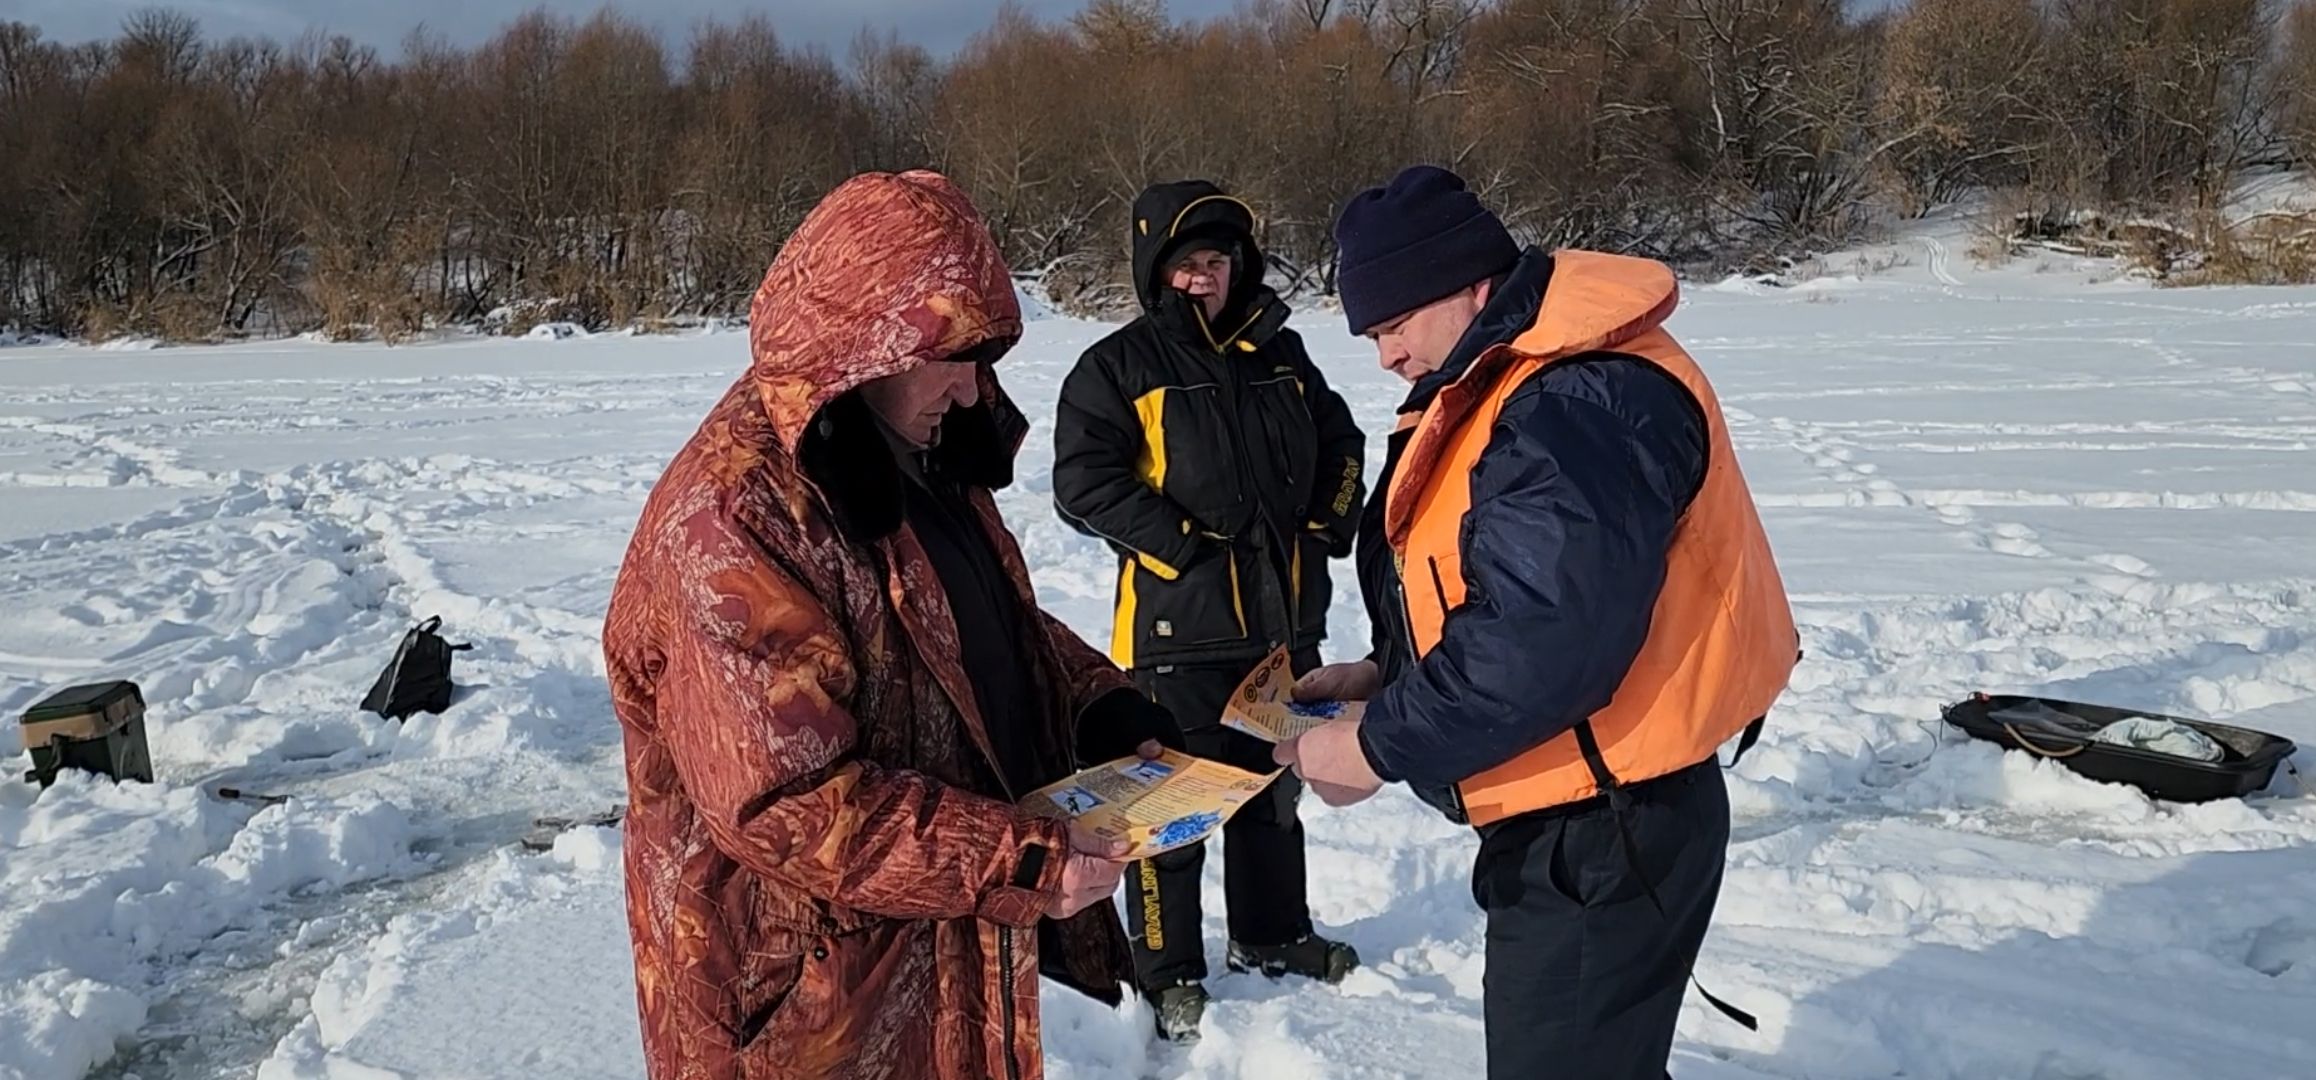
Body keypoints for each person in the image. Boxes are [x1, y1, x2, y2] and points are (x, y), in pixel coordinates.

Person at [603, 170, 1188, 1080]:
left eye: (983, 357)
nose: (969, 388)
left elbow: (977, 627)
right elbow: (786, 804)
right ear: (860, 344)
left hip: (932, 962)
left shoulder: (914, 447)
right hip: (803, 1002)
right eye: (949, 355)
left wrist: (1095, 704)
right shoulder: (733, 518)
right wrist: (1017, 861)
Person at [1275, 164, 1801, 1080]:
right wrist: (1385, 673)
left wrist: (1378, 744)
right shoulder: (1508, 380)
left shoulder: (1571, 399)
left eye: (1394, 325)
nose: (1386, 357)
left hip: (1605, 825)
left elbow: (1546, 641)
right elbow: (1501, 584)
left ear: (1470, 284)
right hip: (1578, 802)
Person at [1051, 179, 1367, 1041]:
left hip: (1280, 630)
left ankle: (1270, 935)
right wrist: (1179, 543)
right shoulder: (1117, 368)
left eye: (1217, 262)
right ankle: (1169, 972)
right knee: (1173, 811)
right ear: (1158, 272)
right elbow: (1081, 483)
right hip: (1174, 637)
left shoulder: (1282, 355)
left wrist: (1328, 521)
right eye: (1187, 264)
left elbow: (1343, 444)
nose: (1205, 278)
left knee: (1271, 794)